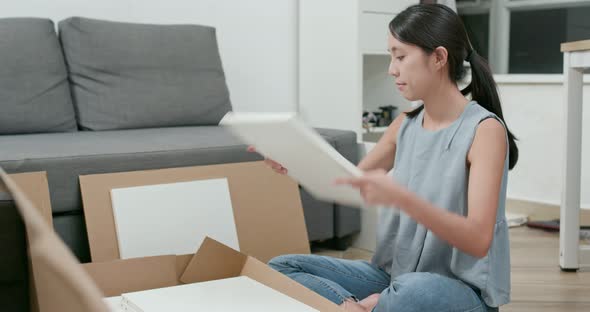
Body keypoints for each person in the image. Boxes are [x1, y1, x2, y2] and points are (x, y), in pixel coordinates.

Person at [248, 4, 518, 311]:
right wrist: (292, 161)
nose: (392, 69)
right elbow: (346, 182)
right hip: (394, 278)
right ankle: (358, 307)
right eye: (391, 56)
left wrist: (403, 198)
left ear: (439, 57)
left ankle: (376, 304)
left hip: (457, 292)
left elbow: (478, 240)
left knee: (410, 292)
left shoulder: (484, 131)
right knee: (282, 267)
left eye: (400, 56)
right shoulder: (405, 124)